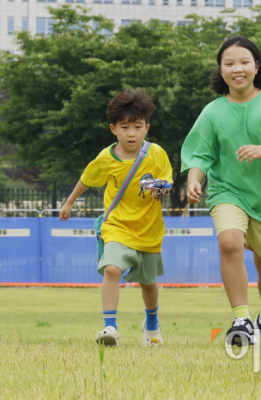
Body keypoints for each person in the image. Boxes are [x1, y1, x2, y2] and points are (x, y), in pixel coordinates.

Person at [182, 36, 261, 349]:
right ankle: (241, 318)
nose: (237, 69)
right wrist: (195, 179)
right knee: (229, 243)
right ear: (220, 70)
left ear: (256, 67)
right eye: (229, 63)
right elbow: (199, 155)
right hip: (226, 191)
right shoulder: (212, 112)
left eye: (244, 62)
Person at [60, 89, 173, 347]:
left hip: (148, 229)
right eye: (124, 127)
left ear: (147, 127)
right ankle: (110, 326)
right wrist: (68, 203)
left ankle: (152, 324)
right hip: (117, 226)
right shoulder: (106, 157)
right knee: (111, 269)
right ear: (113, 129)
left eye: (137, 126)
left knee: (148, 282)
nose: (131, 133)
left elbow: (167, 182)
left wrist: (160, 188)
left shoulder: (156, 153)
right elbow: (86, 180)